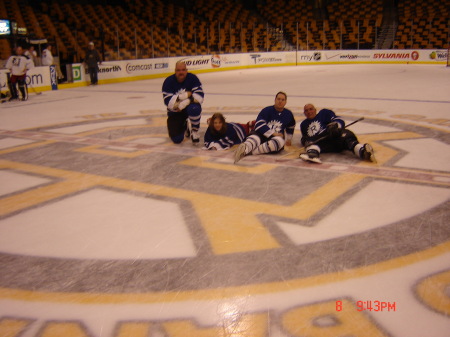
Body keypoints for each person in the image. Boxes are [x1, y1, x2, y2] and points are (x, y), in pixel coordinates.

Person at [299, 103, 375, 163]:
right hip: (322, 144)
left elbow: (338, 119)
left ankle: (362, 151)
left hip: (333, 138)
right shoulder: (304, 124)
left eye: (310, 109)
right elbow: (305, 137)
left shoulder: (324, 113)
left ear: (315, 110)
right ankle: (313, 154)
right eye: (306, 110)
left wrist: (335, 126)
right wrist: (305, 141)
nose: (309, 112)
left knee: (346, 136)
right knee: (310, 142)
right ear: (304, 113)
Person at [234, 91, 295, 163]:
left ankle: (251, 152)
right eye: (278, 99)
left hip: (275, 138)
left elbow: (291, 126)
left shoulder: (288, 114)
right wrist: (273, 133)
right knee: (254, 138)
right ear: (275, 100)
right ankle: (245, 148)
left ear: (285, 102)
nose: (280, 101)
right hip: (260, 134)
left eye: (282, 100)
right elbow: (259, 124)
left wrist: (289, 139)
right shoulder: (267, 110)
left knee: (279, 142)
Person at [162, 61, 204, 144]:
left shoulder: (193, 78)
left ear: (186, 70)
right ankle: (185, 126)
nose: (181, 72)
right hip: (176, 112)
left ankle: (194, 131)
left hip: (189, 108)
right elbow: (170, 103)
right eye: (178, 70)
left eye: (183, 70)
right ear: (175, 71)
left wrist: (183, 103)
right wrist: (186, 95)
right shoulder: (168, 81)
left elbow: (199, 97)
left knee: (194, 108)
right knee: (177, 140)